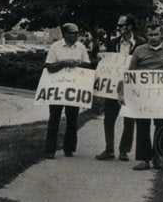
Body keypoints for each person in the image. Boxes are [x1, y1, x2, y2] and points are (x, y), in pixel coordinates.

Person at [128, 23, 163, 171]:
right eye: (150, 35)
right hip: (143, 95)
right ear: (146, 36)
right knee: (142, 125)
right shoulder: (139, 51)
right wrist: (127, 93)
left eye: (156, 34)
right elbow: (131, 72)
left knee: (161, 125)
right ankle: (144, 159)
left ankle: (157, 156)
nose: (153, 38)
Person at [96, 15, 142, 161]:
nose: (119, 28)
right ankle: (109, 149)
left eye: (121, 25)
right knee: (109, 116)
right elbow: (107, 63)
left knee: (129, 118)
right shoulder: (113, 43)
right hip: (113, 86)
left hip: (132, 86)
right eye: (118, 25)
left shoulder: (141, 44)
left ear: (130, 26)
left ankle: (124, 150)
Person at [42, 22, 92, 159]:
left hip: (73, 87)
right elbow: (49, 66)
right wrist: (64, 62)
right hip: (57, 87)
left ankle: (69, 148)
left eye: (77, 33)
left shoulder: (80, 47)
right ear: (64, 34)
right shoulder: (55, 47)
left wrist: (80, 64)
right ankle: (50, 150)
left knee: (72, 118)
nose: (76, 35)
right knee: (54, 118)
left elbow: (88, 65)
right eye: (72, 33)